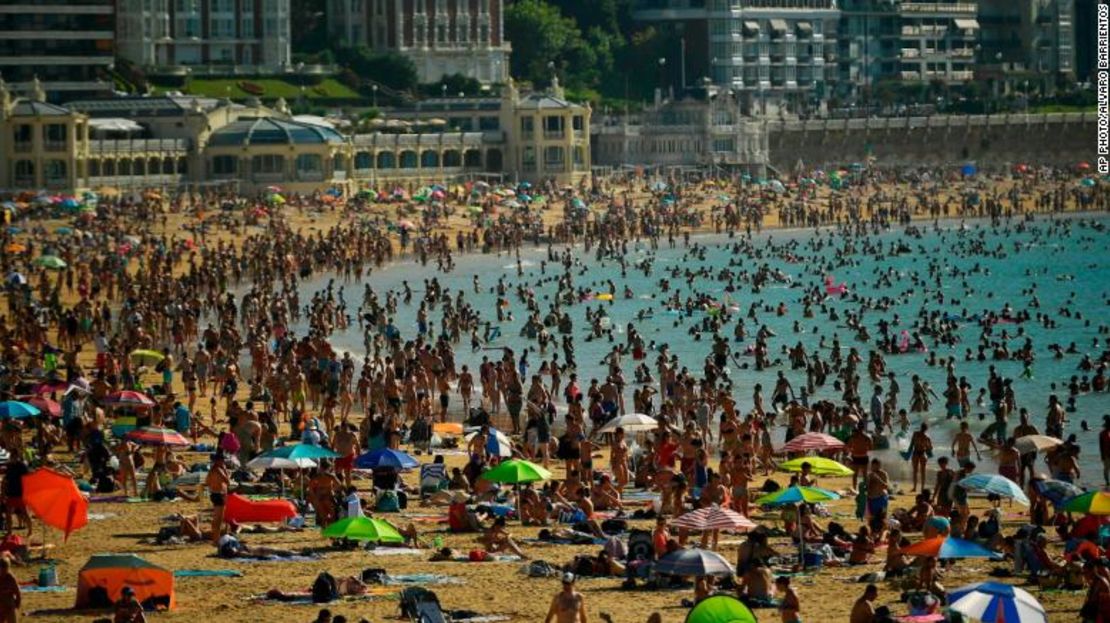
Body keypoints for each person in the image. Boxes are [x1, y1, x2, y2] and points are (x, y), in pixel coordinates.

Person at [0, 558, 20, 623]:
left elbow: (17, 593)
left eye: (5, 570)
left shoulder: (11, 578)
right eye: (1, 570)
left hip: (9, 604)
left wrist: (17, 603)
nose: (3, 573)